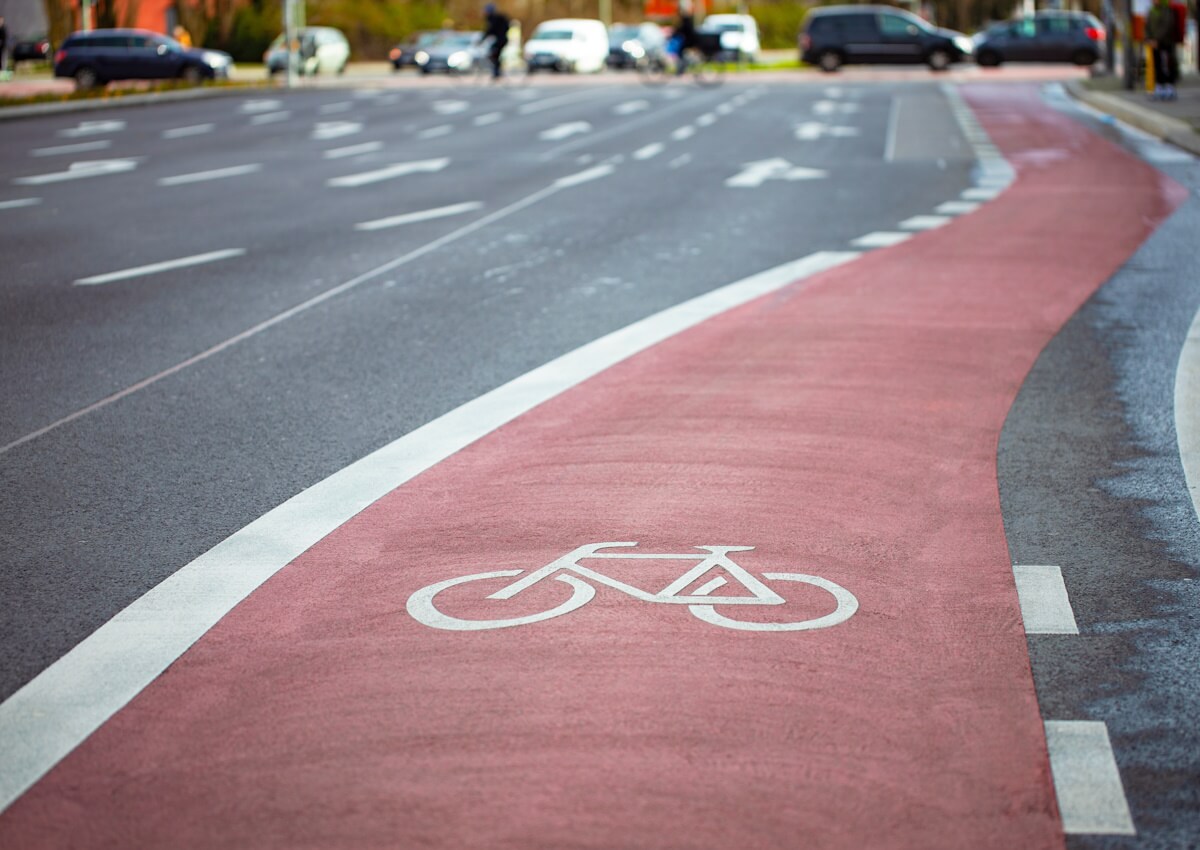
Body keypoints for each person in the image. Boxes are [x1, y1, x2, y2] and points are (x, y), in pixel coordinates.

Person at [1146, 0, 1180, 100]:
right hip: (1154, 43)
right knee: (1157, 65)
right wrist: (1150, 39)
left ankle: (1169, 86)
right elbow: (1147, 26)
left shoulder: (1167, 10)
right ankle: (1159, 86)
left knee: (1167, 65)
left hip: (1165, 42)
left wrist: (1157, 39)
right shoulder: (1151, 10)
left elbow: (1167, 25)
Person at [481, 3, 509, 79]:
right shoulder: (494, 18)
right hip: (500, 40)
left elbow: (490, 30)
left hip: (501, 40)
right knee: (494, 55)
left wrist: (481, 40)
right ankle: (496, 71)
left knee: (494, 54)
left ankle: (497, 72)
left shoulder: (493, 19)